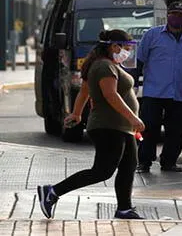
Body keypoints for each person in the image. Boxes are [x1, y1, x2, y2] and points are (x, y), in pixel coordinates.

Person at [37, 29, 146, 220]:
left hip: (120, 127)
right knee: (102, 171)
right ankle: (52, 192)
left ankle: (124, 208)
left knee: (129, 166)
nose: (127, 52)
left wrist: (77, 114)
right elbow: (111, 95)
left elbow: (84, 91)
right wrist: (133, 118)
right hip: (109, 126)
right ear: (114, 46)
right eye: (126, 48)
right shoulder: (104, 66)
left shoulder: (105, 64)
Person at [135, 1, 182, 173]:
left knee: (175, 131)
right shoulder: (152, 35)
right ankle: (144, 162)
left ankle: (169, 162)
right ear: (167, 15)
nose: (177, 18)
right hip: (154, 92)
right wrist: (134, 83)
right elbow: (140, 60)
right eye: (174, 14)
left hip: (178, 94)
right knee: (149, 129)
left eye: (181, 15)